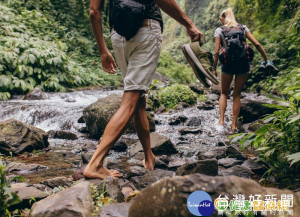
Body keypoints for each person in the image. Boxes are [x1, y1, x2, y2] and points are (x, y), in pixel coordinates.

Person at [83, 0, 203, 179]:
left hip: (118, 33)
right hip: (145, 29)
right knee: (130, 100)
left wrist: (103, 50)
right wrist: (189, 24)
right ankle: (95, 164)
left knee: (138, 99)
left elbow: (94, 12)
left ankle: (148, 157)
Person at [213, 8, 273, 131]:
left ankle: (221, 122)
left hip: (228, 64)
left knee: (224, 93)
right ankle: (234, 125)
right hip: (243, 64)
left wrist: (214, 68)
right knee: (237, 94)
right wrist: (266, 59)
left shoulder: (219, 30)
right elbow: (256, 44)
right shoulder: (243, 28)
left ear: (223, 18)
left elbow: (216, 52)